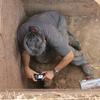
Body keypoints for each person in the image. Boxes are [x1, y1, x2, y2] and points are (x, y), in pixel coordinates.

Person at [17, 11, 94, 83]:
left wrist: (53, 71)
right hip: (45, 22)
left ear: (45, 41)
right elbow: (25, 51)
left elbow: (70, 55)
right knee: (42, 59)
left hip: (58, 22)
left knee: (61, 50)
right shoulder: (22, 33)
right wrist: (26, 67)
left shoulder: (52, 35)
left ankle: (82, 61)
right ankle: (65, 38)